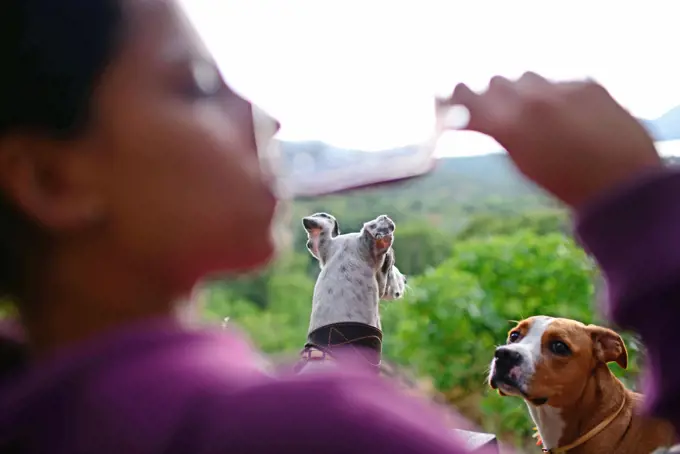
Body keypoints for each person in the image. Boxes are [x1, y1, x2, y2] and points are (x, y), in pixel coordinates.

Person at [0, 2, 677, 454]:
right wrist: (631, 198)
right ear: (51, 179)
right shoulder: (315, 428)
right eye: (196, 85)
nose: (267, 117)